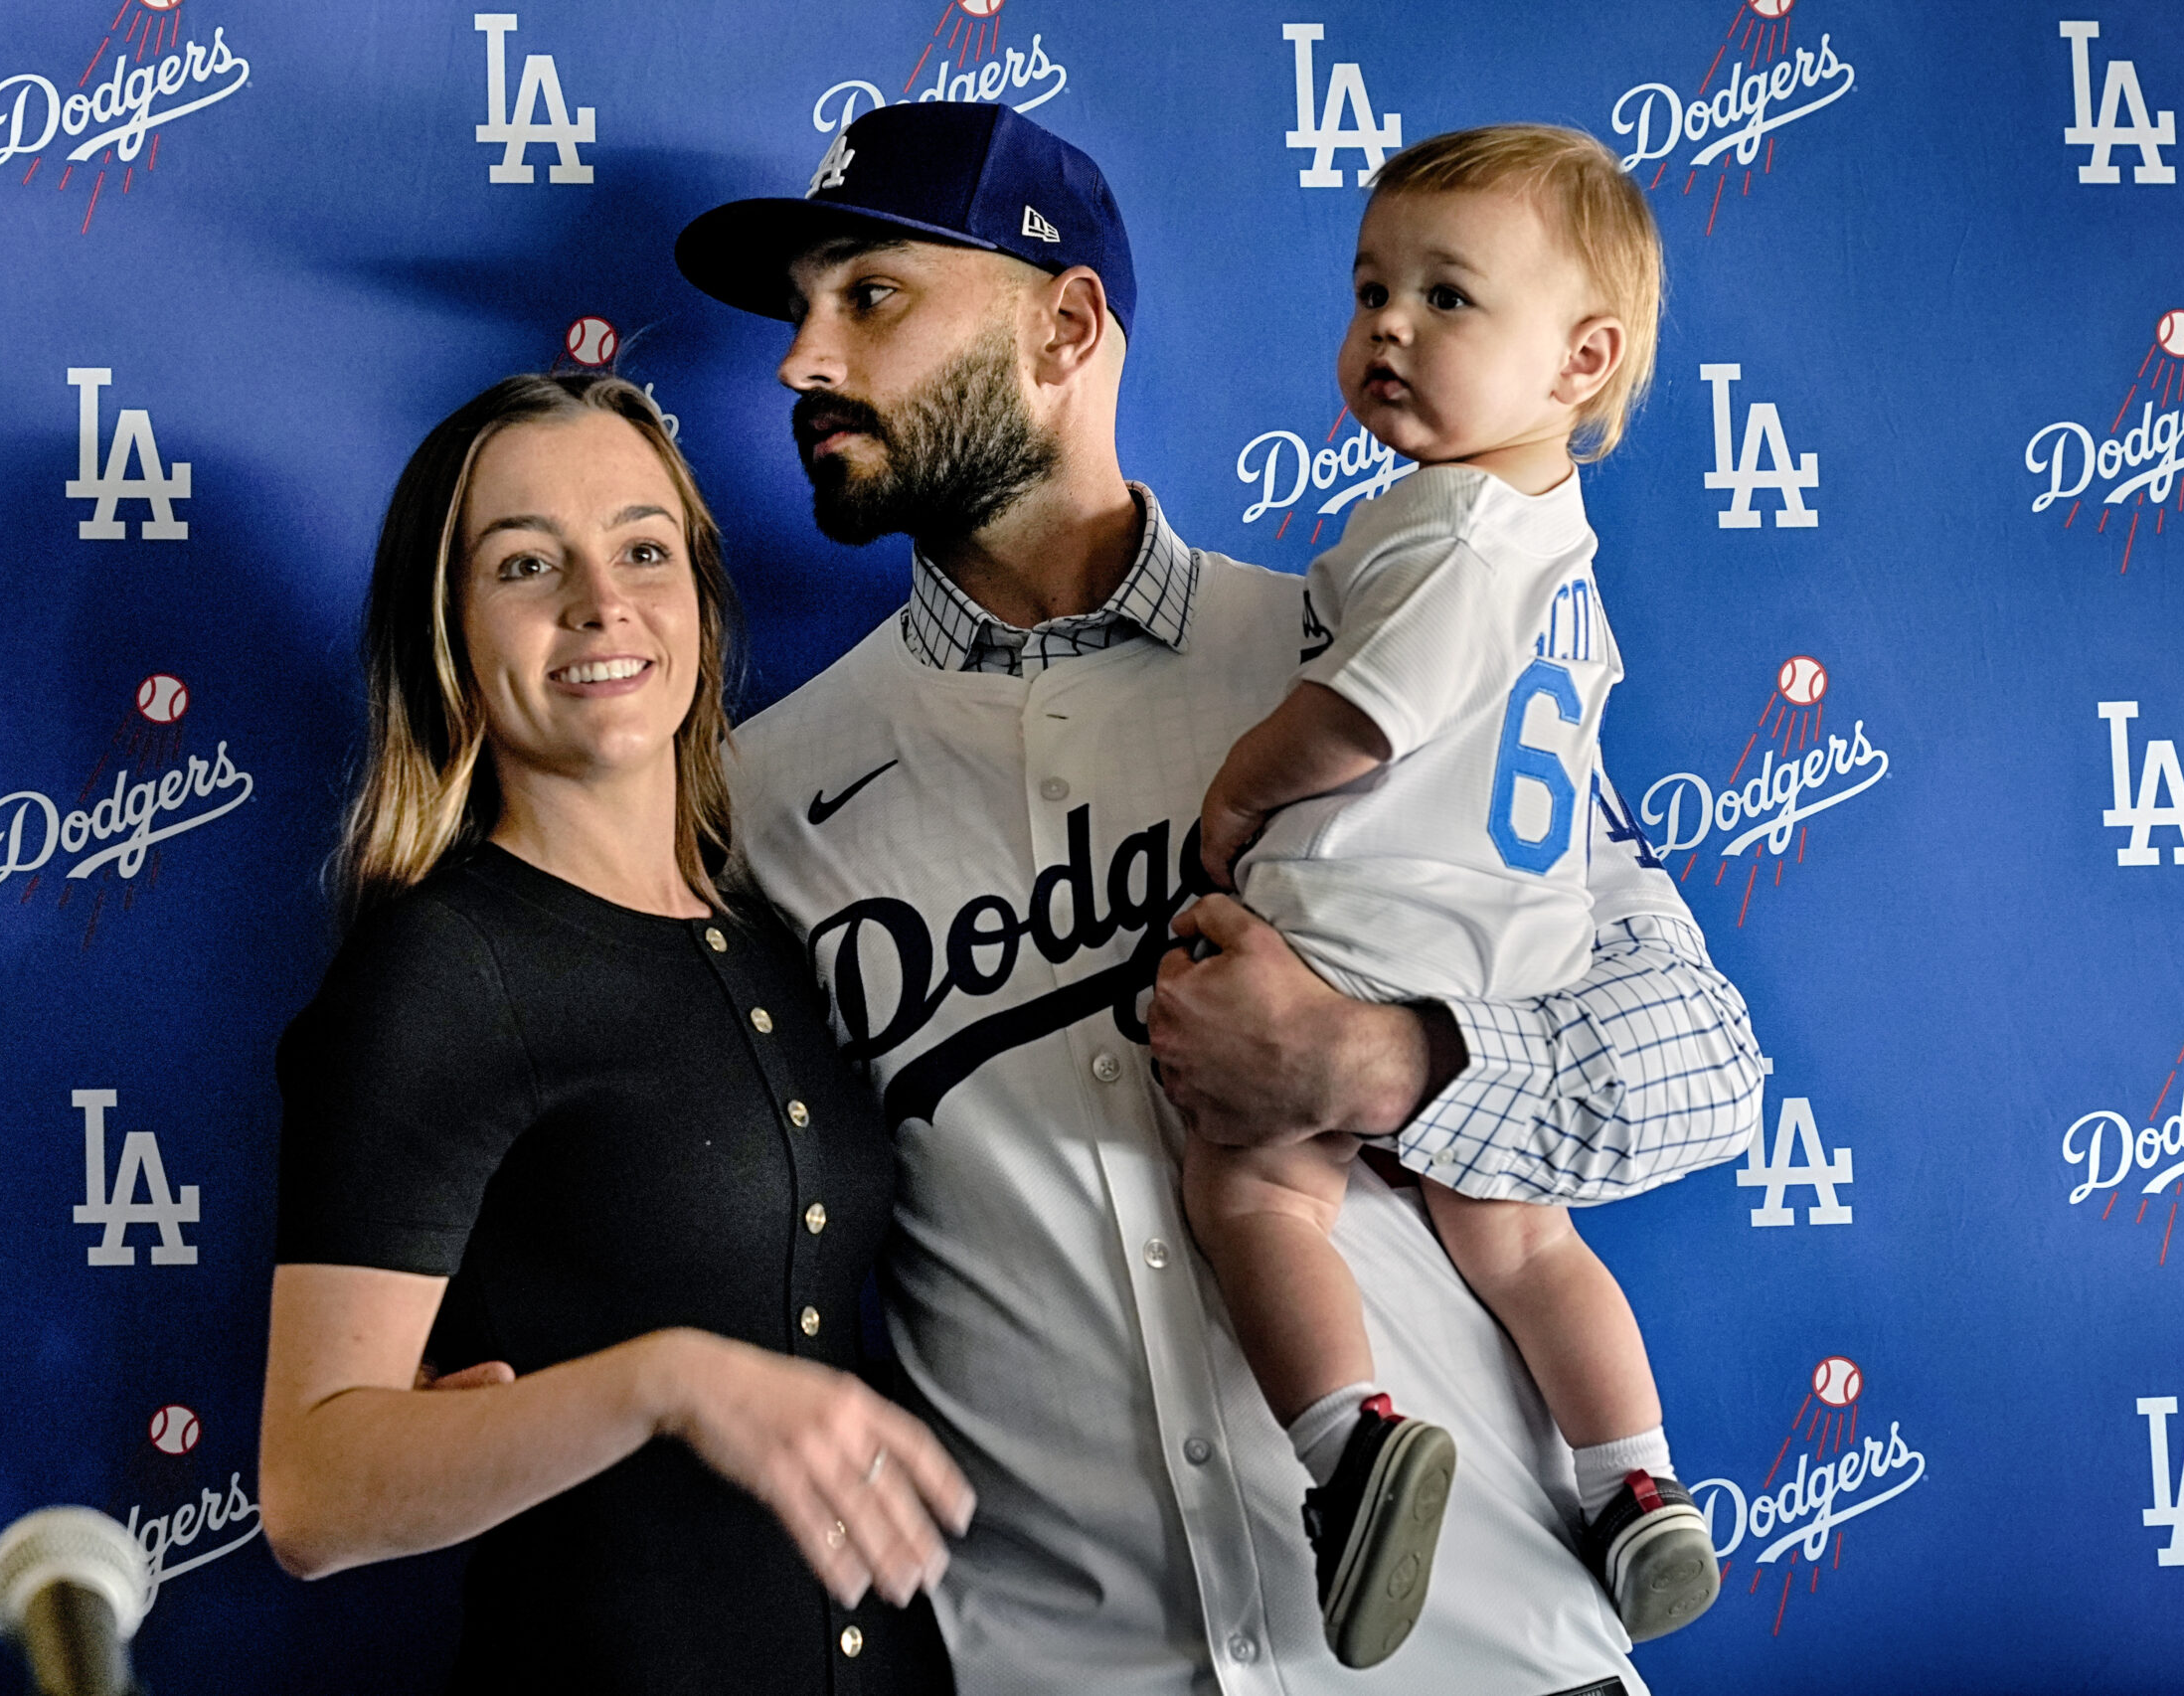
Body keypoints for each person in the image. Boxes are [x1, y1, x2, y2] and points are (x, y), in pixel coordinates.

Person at [674, 101, 1764, 1696]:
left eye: (873, 295)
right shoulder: (756, 801)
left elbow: (1701, 1059)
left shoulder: (1361, 643)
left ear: (1066, 323)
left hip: (1487, 1654)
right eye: (798, 313)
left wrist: (1383, 1063)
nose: (801, 360)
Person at [256, 372, 972, 1694]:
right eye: (527, 564)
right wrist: (664, 1381)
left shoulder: (780, 922)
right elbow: (313, 1490)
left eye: (643, 548)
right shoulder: (443, 968)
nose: (602, 600)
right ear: (451, 630)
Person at [1185, 125, 1717, 1664]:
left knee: (1256, 1190)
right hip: (1506, 974)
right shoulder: (1563, 557)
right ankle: (1635, 1483)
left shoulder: (1449, 527)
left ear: (1582, 361)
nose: (1389, 328)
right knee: (1531, 1248)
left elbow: (1368, 709)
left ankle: (1352, 1449)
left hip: (1360, 935)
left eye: (1448, 296)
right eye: (1371, 289)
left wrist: (1241, 781)